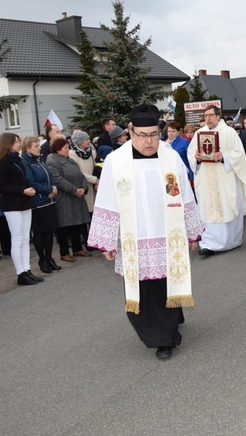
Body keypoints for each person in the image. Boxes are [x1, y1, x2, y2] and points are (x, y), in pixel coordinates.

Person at [88, 104, 204, 360]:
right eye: (142, 135)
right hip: (134, 237)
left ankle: (167, 333)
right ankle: (162, 333)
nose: (149, 141)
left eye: (153, 134)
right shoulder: (115, 161)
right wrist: (108, 241)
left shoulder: (170, 156)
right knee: (143, 289)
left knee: (166, 283)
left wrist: (192, 231)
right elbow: (106, 199)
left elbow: (184, 193)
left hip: (167, 234)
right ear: (130, 131)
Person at [188, 105, 246, 256]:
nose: (207, 118)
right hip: (205, 177)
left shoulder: (229, 132)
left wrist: (223, 157)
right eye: (205, 115)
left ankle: (230, 241)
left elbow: (239, 155)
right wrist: (195, 158)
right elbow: (191, 154)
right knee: (208, 208)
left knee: (225, 205)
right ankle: (208, 244)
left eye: (210, 115)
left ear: (218, 116)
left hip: (224, 177)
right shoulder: (199, 133)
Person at [0, 133, 41, 286]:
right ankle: (20, 273)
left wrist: (28, 189)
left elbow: (22, 179)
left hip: (24, 202)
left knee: (25, 238)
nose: (19, 144)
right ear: (8, 143)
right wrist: (22, 190)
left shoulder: (17, 159)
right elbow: (1, 186)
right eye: (17, 142)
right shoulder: (1, 163)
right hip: (12, 204)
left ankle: (27, 270)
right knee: (17, 239)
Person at [46, 138, 91, 262]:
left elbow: (80, 175)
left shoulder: (71, 161)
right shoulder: (52, 162)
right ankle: (64, 252)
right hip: (64, 198)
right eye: (66, 148)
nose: (68, 150)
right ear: (57, 149)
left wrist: (83, 188)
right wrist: (74, 190)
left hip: (77, 197)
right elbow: (58, 180)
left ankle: (77, 248)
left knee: (77, 223)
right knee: (64, 226)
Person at [22, 136, 61, 274]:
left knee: (49, 231)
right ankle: (42, 260)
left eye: (38, 145)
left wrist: (53, 188)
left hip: (49, 200)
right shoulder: (26, 162)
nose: (39, 148)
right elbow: (31, 182)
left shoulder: (40, 159)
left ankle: (50, 258)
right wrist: (49, 190)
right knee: (40, 232)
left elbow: (49, 177)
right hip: (38, 202)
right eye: (35, 146)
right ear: (27, 148)